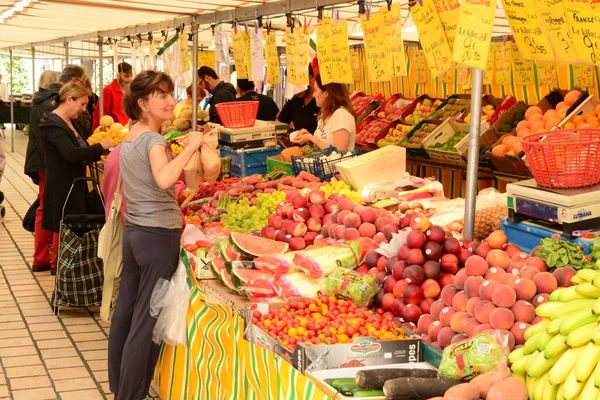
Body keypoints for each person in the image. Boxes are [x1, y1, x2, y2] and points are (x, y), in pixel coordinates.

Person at [108, 71, 203, 400]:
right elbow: (164, 179)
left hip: (135, 233)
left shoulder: (131, 135)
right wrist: (190, 148)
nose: (169, 101)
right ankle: (129, 395)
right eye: (161, 95)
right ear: (142, 103)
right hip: (157, 236)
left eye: (170, 94)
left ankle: (119, 384)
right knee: (145, 322)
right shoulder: (152, 139)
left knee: (127, 311)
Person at [39, 83, 115, 275]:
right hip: (63, 186)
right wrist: (99, 147)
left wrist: (98, 152)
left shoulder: (70, 122)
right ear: (69, 99)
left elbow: (80, 150)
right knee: (66, 229)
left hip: (75, 184)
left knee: (72, 229)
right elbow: (70, 153)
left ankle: (69, 269)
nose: (83, 110)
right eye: (81, 104)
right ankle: (62, 269)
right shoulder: (51, 124)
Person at [25, 64, 90, 273]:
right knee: (55, 210)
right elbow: (68, 148)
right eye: (82, 104)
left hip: (42, 162)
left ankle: (42, 258)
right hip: (52, 165)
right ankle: (52, 260)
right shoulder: (54, 113)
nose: (82, 109)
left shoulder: (39, 102)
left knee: (47, 209)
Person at [292, 73, 357, 152]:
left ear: (326, 93)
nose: (313, 95)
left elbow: (340, 151)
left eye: (315, 91)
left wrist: (311, 138)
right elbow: (323, 143)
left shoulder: (342, 114)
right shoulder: (325, 113)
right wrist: (307, 137)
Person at [277, 64, 320, 133]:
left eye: (299, 84)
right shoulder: (294, 100)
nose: (296, 90)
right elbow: (280, 122)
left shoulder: (321, 101)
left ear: (310, 77)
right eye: (293, 85)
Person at [92, 62, 133, 131]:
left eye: (130, 76)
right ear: (118, 75)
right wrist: (98, 132)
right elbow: (100, 115)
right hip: (114, 132)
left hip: (128, 130)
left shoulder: (130, 91)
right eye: (126, 76)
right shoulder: (108, 91)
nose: (129, 79)